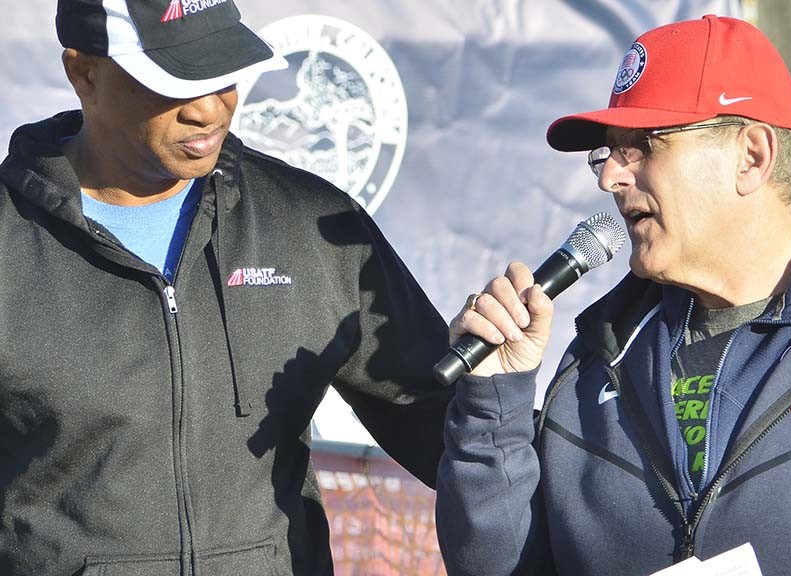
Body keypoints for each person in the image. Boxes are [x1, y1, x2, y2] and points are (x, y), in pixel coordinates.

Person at [435, 14, 791, 576]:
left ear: (752, 157)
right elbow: (496, 566)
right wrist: (493, 401)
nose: (610, 177)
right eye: (606, 153)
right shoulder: (596, 359)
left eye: (642, 145)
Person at [0, 1, 453, 574]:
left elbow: (445, 426)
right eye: (174, 82)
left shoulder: (308, 222)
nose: (210, 109)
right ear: (84, 72)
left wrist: (519, 412)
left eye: (223, 72)